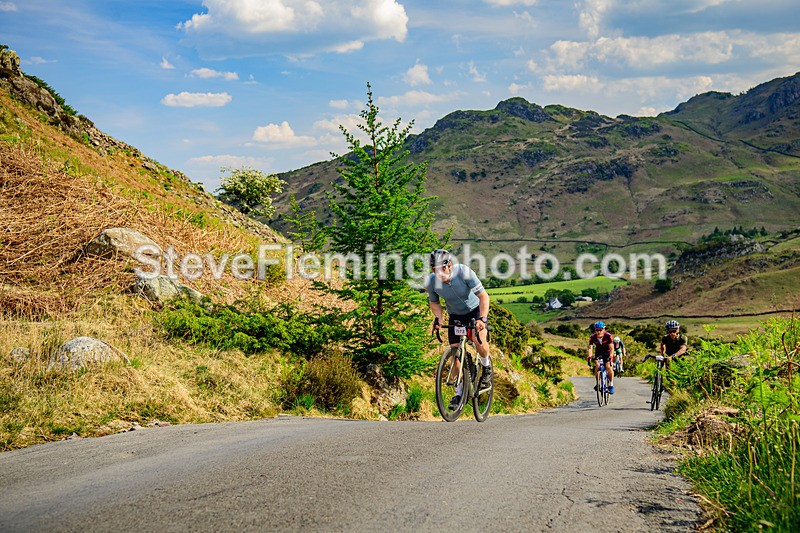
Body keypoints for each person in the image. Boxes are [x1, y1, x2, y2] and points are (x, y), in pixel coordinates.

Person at [426, 249, 492, 410]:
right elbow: (435, 303)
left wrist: (482, 319)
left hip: (475, 312)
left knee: (478, 340)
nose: (439, 273)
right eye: (435, 269)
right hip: (455, 316)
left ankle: (486, 367)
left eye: (442, 268)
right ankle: (459, 393)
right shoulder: (431, 281)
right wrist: (438, 318)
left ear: (449, 265)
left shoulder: (463, 272)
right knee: (455, 354)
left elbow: (483, 297)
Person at [587, 321, 615, 394]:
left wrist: (611, 356)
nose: (599, 332)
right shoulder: (592, 337)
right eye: (597, 330)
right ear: (595, 330)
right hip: (599, 353)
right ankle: (598, 383)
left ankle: (611, 385)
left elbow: (612, 348)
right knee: (597, 365)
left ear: (604, 329)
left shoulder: (608, 336)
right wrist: (589, 356)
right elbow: (590, 348)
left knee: (608, 367)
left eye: (600, 330)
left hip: (607, 352)